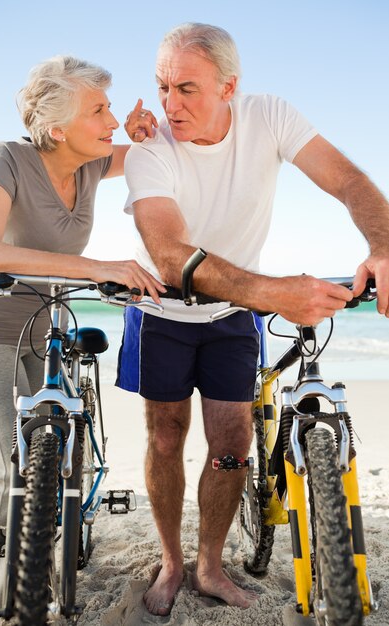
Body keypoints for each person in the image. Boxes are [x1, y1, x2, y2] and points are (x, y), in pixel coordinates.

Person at [116, 22, 389, 617]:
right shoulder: (150, 149)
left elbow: (347, 180)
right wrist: (273, 291)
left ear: (229, 86)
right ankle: (170, 561)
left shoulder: (269, 116)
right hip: (160, 308)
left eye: (187, 88)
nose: (169, 104)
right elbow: (168, 254)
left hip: (233, 314)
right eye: (162, 87)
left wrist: (383, 244)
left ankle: (209, 565)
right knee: (165, 438)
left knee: (234, 440)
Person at [0, 55, 164, 626]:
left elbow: (158, 158)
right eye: (98, 109)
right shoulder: (8, 159)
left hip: (46, 329)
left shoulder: (91, 162)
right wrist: (95, 266)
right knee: (7, 471)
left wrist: (144, 134)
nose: (110, 118)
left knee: (49, 467)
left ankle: (38, 570)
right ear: (57, 129)